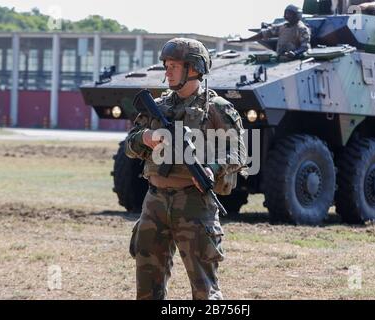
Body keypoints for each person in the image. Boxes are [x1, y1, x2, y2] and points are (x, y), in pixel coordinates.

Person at [125, 38, 247, 300]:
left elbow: (240, 152)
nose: (167, 71)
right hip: (154, 201)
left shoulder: (215, 108)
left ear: (193, 68)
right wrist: (145, 137)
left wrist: (212, 168)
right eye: (166, 65)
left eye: (174, 66)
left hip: (194, 203)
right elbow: (129, 146)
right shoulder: (158, 106)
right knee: (147, 288)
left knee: (205, 290)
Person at [230, 4, 311, 60]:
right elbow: (264, 34)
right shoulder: (283, 27)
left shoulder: (302, 29)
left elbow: (305, 46)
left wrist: (295, 53)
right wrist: (245, 40)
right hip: (280, 58)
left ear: (297, 15)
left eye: (290, 14)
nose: (287, 16)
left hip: (294, 59)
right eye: (286, 13)